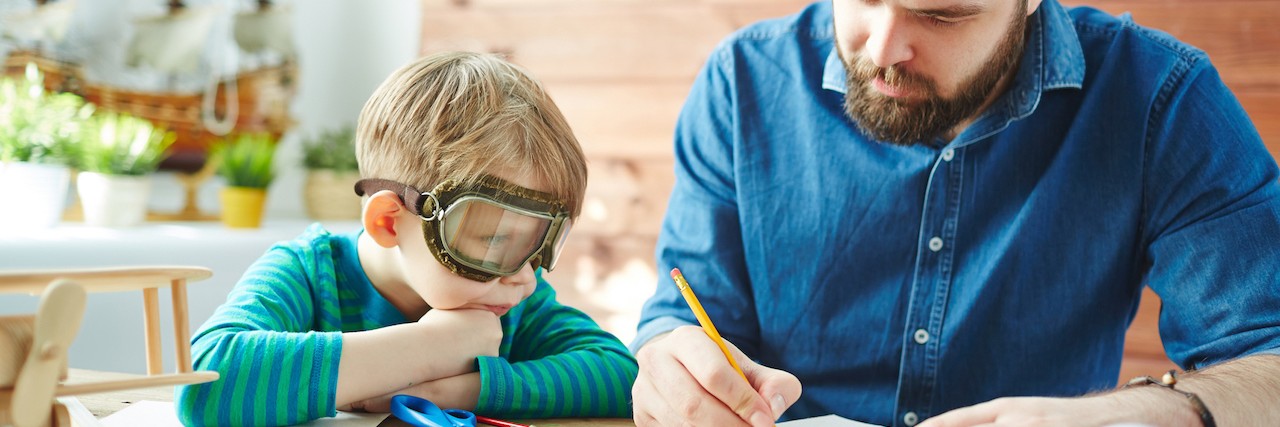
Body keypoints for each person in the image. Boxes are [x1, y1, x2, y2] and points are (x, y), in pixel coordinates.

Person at [631, 0, 1280, 426]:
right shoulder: (742, 83)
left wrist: (1159, 411)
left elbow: (1270, 357)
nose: (882, 47)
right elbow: (688, 315)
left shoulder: (1159, 98)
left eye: (941, 14)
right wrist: (669, 357)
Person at [176, 51, 638, 426]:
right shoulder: (306, 272)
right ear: (389, 222)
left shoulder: (510, 297)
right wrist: (431, 349)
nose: (525, 279)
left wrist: (460, 390)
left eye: (538, 244)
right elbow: (205, 382)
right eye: (495, 240)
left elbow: (622, 375)